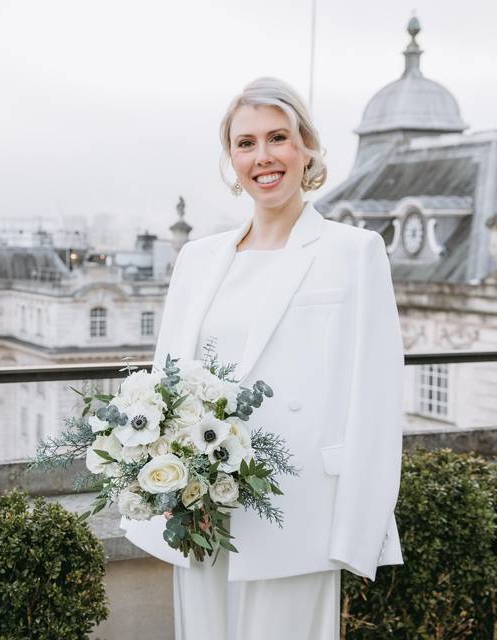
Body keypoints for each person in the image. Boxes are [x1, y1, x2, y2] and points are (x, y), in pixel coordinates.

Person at [120, 77, 405, 639]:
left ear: (307, 148)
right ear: (231, 158)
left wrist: (356, 532)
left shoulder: (354, 252)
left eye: (278, 137)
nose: (263, 156)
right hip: (201, 508)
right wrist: (167, 489)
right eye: (245, 143)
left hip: (299, 510)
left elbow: (375, 398)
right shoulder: (197, 259)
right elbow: (167, 385)